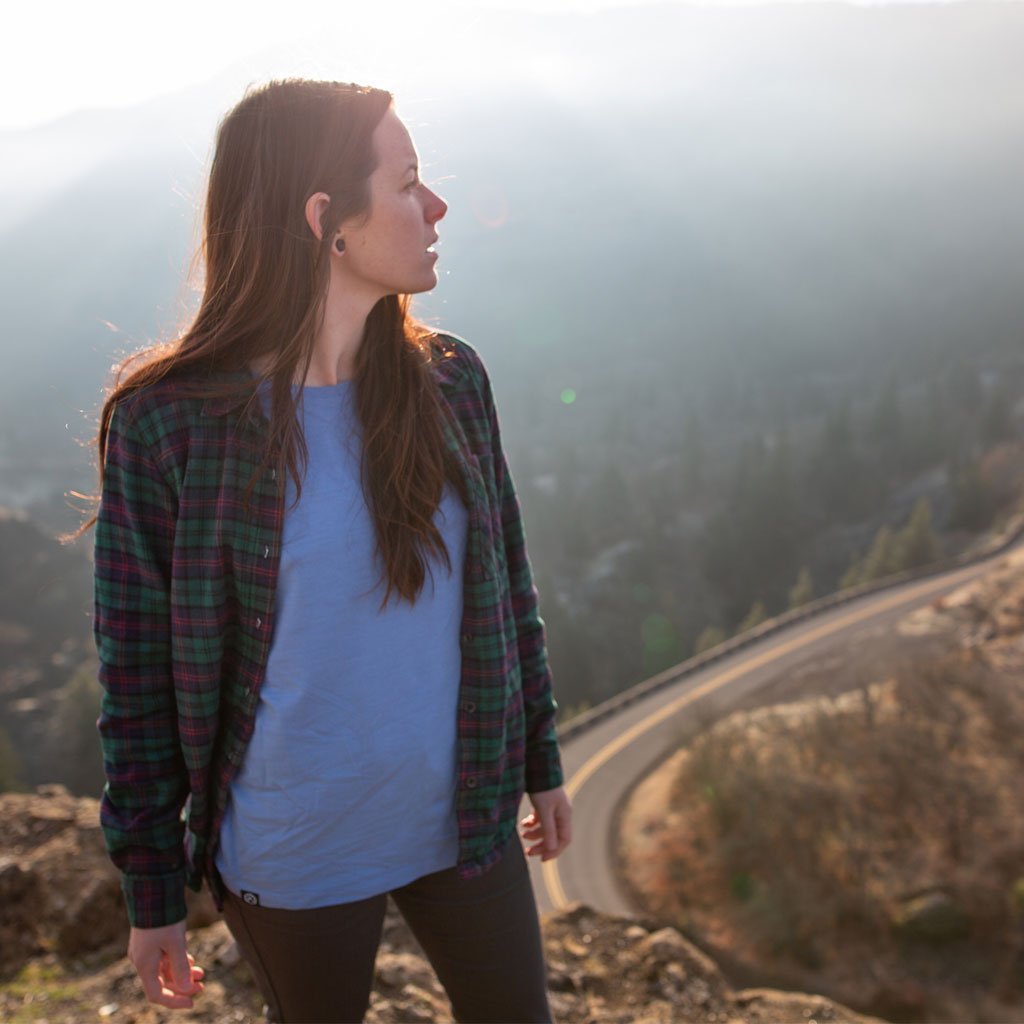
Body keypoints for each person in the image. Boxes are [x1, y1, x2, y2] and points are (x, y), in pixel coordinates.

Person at [84, 78, 573, 1023]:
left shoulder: (450, 380)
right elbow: (137, 675)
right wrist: (152, 893)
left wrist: (539, 755)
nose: (436, 208)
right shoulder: (167, 427)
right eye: (408, 183)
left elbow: (506, 582)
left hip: (467, 814)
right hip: (295, 852)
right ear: (325, 221)